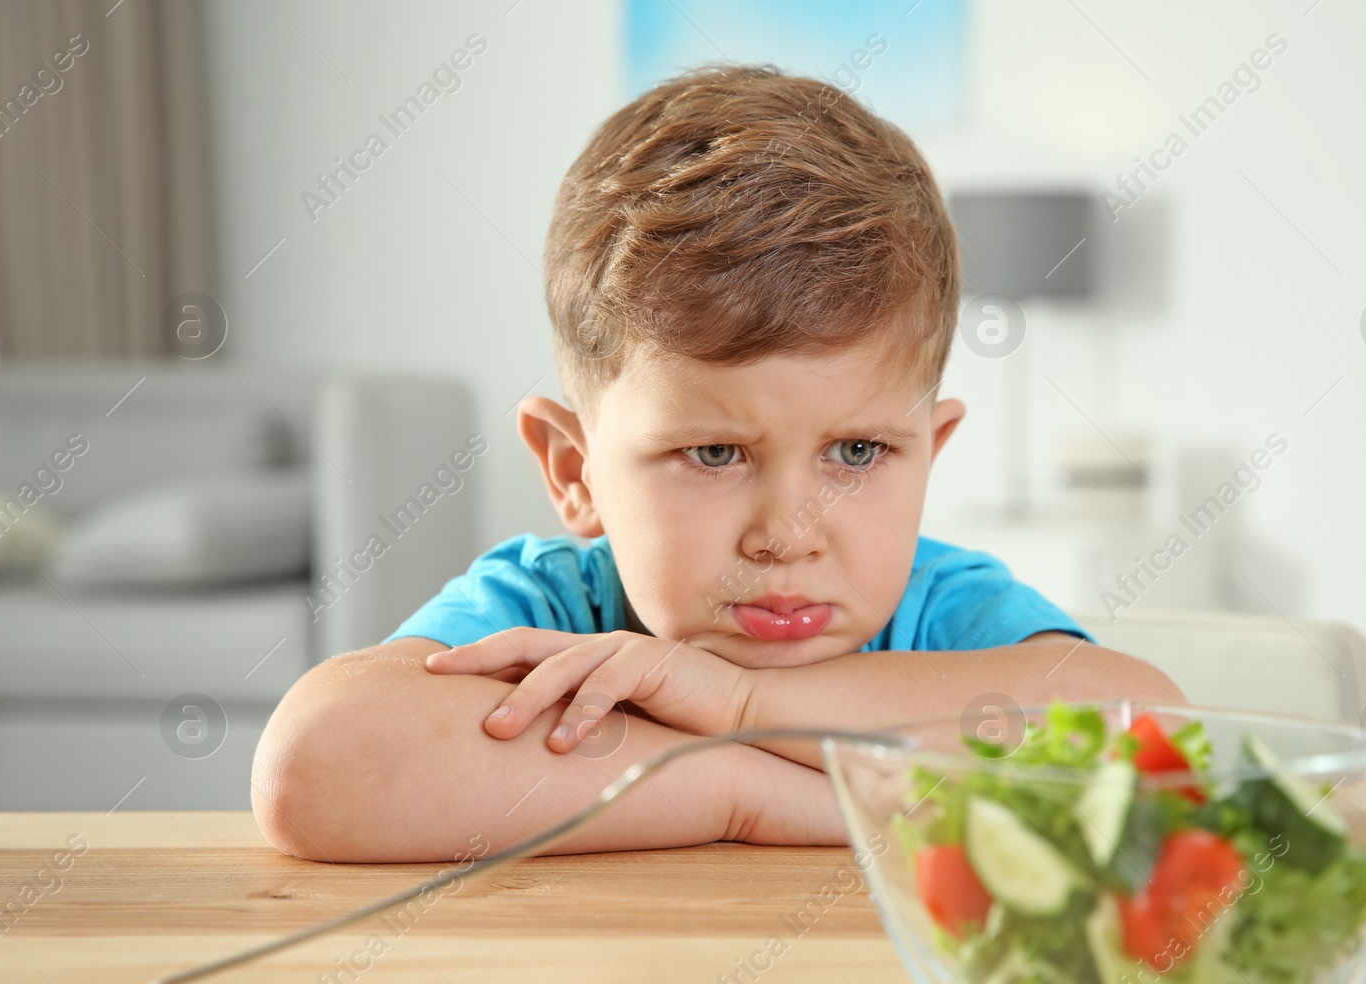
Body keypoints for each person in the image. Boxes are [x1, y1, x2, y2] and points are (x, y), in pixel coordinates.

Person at [252, 65, 1182, 863]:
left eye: (857, 452)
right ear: (575, 471)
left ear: (928, 456)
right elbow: (315, 767)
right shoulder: (555, 611)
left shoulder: (946, 610)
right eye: (713, 453)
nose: (786, 534)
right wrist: (749, 793)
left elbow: (1156, 730)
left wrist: (740, 701)